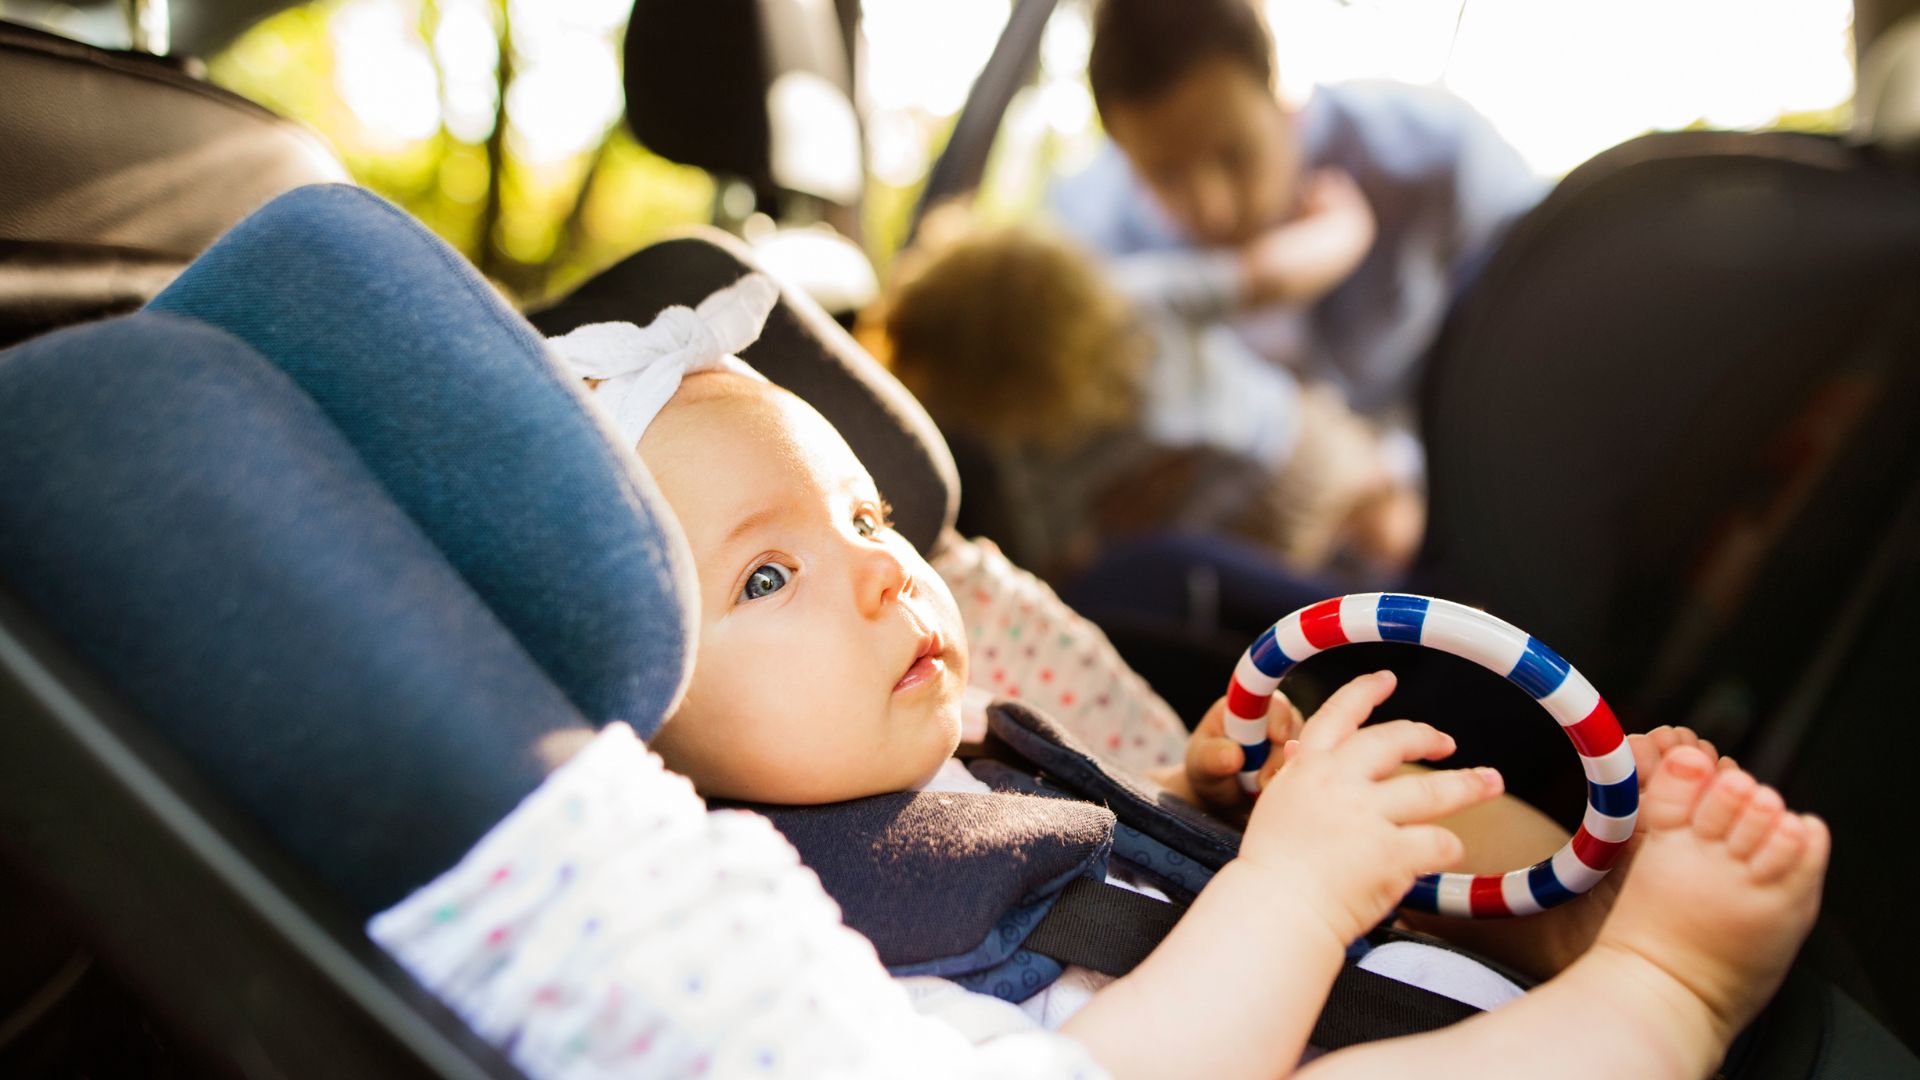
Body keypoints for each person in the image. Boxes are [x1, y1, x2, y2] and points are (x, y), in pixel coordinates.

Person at [538, 279, 1830, 1079]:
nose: (885, 574)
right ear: (639, 734)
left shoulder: (961, 745)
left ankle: (1572, 907)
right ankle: (1668, 992)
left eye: (868, 521)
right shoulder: (783, 948)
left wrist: (1186, 788)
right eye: (768, 577)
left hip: (1380, 982)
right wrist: (1295, 889)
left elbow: (1058, 845)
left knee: (1347, 768)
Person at [1050, 0, 1548, 431]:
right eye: (1165, 176)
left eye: (1234, 155)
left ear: (1279, 89)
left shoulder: (1432, 156)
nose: (1213, 208)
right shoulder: (1091, 244)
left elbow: (1551, 311)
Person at [881, 218, 1423, 583]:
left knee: (1349, 572)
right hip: (1287, 452)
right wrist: (1345, 224)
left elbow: (1060, 560)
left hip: (1248, 525)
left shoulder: (1030, 446)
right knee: (1397, 538)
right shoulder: (1133, 300)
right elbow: (1269, 274)